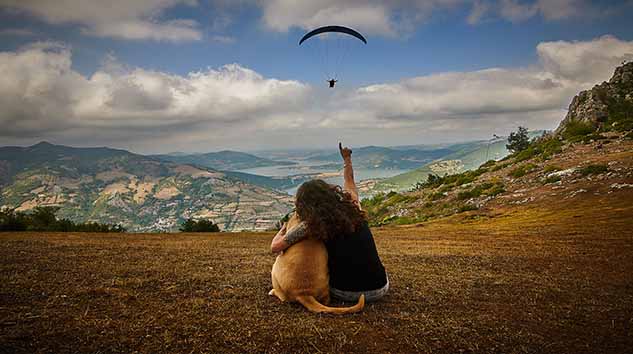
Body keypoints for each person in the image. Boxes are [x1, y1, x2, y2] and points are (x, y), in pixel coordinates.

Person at [270, 142, 389, 302]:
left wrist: (281, 231)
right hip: (381, 288)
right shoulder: (353, 208)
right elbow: (350, 181)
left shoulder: (311, 225)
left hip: (345, 293)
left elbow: (275, 247)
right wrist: (347, 159)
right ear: (329, 192)